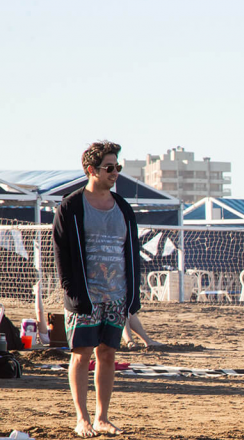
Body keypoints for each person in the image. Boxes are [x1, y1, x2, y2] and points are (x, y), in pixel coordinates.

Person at [53, 141, 142, 437]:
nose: (115, 172)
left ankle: (103, 417)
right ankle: (82, 419)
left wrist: (133, 296)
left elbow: (132, 253)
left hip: (117, 297)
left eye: (118, 167)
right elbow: (61, 255)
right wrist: (73, 295)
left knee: (107, 355)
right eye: (109, 167)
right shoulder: (72, 206)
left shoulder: (124, 208)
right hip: (86, 298)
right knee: (81, 354)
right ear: (91, 170)